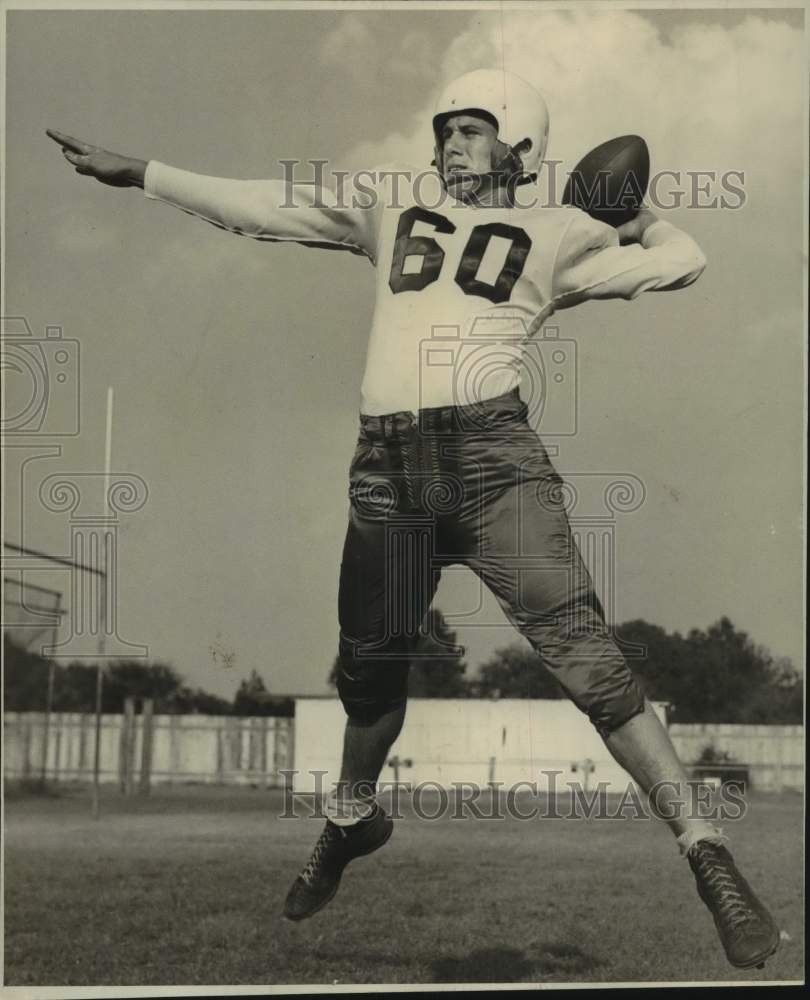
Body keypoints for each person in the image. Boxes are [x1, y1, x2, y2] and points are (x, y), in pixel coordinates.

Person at [48, 67, 779, 971]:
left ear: (519, 147)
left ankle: (707, 853)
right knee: (370, 674)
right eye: (444, 130)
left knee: (589, 658)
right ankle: (352, 818)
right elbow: (266, 206)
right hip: (390, 469)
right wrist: (146, 172)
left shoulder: (559, 230)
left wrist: (630, 215)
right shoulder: (388, 214)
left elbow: (685, 260)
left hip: (493, 462)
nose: (449, 144)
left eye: (472, 129)